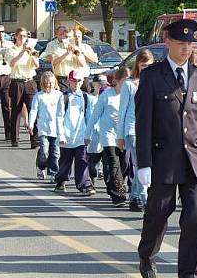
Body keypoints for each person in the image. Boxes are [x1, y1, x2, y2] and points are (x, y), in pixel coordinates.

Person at [135, 19, 197, 278]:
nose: (186, 48)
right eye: (181, 43)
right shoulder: (152, 77)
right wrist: (144, 163)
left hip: (195, 160)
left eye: (190, 44)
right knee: (158, 214)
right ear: (167, 42)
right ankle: (147, 254)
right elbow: (143, 124)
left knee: (196, 219)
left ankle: (190, 277)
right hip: (163, 159)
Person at [117, 48, 154, 212]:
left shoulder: (154, 82)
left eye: (148, 65)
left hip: (151, 130)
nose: (145, 68)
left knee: (148, 164)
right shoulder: (130, 85)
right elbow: (122, 110)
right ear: (137, 65)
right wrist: (120, 135)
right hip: (132, 129)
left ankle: (135, 196)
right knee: (141, 164)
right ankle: (142, 197)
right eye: (143, 65)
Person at [86, 67, 129, 206]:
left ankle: (112, 187)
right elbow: (94, 116)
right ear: (117, 80)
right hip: (108, 135)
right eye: (125, 81)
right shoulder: (107, 95)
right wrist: (87, 134)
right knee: (113, 163)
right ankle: (119, 195)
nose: (128, 84)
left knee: (123, 165)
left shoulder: (129, 95)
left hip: (122, 135)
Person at [54, 70, 95, 195]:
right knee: (65, 161)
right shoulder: (63, 97)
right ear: (68, 81)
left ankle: (84, 185)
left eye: (78, 81)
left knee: (82, 160)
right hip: (66, 136)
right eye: (73, 81)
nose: (76, 83)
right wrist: (61, 134)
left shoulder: (86, 98)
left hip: (81, 135)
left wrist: (89, 134)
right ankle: (61, 181)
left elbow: (89, 117)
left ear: (82, 81)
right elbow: (59, 116)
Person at [5, 28, 40, 148]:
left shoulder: (32, 50)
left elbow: (37, 65)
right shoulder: (10, 50)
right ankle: (15, 138)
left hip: (29, 81)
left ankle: (34, 139)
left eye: (25, 36)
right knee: (16, 110)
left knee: (33, 110)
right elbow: (12, 63)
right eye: (20, 36)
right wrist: (22, 52)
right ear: (15, 36)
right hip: (17, 82)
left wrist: (31, 54)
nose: (22, 38)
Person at [28, 71, 61, 180]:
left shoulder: (59, 95)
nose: (50, 85)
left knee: (55, 152)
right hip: (44, 129)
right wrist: (31, 124)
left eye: (51, 83)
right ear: (43, 83)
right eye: (47, 83)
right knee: (44, 151)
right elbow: (33, 110)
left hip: (56, 129)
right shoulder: (39, 96)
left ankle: (53, 173)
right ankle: (40, 166)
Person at [43, 26, 85, 92]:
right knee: (63, 100)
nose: (68, 39)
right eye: (66, 37)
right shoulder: (55, 46)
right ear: (62, 36)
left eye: (70, 37)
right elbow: (54, 63)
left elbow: (82, 64)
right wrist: (66, 53)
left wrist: (75, 53)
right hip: (61, 79)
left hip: (74, 79)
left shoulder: (76, 47)